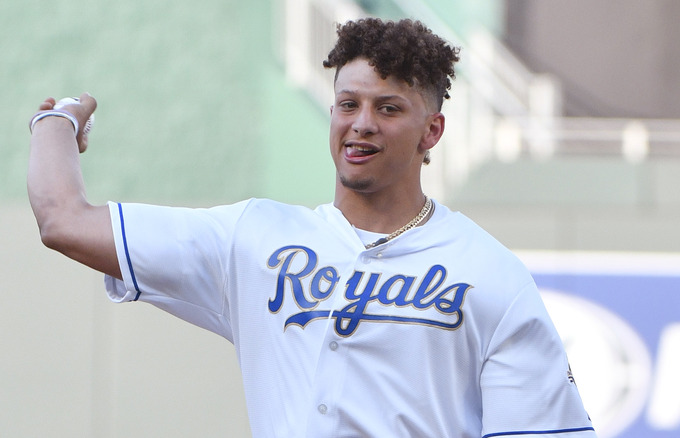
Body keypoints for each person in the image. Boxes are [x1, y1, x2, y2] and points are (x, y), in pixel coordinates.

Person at [28, 17, 596, 438]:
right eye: (348, 104)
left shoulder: (490, 273)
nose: (362, 124)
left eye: (389, 108)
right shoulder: (255, 239)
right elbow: (64, 220)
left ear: (433, 131)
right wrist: (55, 123)